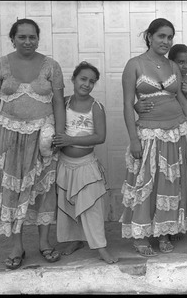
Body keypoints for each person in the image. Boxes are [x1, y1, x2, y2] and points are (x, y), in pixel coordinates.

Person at [0, 19, 64, 269]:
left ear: (38, 39)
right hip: (9, 138)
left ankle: (44, 243)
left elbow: (59, 103)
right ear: (13, 39)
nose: (28, 41)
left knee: (44, 191)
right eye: (22, 37)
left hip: (43, 138)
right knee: (13, 191)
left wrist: (60, 134)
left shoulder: (51, 65)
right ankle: (17, 246)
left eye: (32, 37)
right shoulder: (1, 64)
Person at [121, 18, 187, 257]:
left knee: (171, 183)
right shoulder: (134, 64)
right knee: (146, 183)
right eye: (161, 36)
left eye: (169, 37)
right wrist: (134, 139)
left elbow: (181, 100)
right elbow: (126, 104)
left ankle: (164, 231)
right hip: (148, 133)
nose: (166, 41)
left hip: (177, 133)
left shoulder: (173, 66)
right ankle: (142, 235)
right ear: (150, 37)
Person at [53, 61, 117, 264]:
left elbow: (100, 137)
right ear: (73, 79)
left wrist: (71, 140)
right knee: (68, 206)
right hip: (64, 164)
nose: (87, 84)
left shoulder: (96, 107)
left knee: (91, 207)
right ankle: (76, 240)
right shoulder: (63, 102)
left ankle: (101, 248)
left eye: (92, 81)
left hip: (86, 166)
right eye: (83, 79)